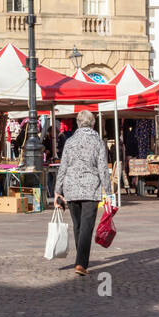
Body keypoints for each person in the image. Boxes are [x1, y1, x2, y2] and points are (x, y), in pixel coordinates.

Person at [52, 109, 111, 276]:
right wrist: (109, 190)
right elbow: (102, 168)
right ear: (93, 124)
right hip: (90, 188)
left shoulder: (70, 141)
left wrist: (58, 191)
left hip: (71, 187)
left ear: (78, 123)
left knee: (78, 225)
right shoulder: (98, 142)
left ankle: (80, 260)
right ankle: (81, 263)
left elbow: (63, 167)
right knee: (86, 226)